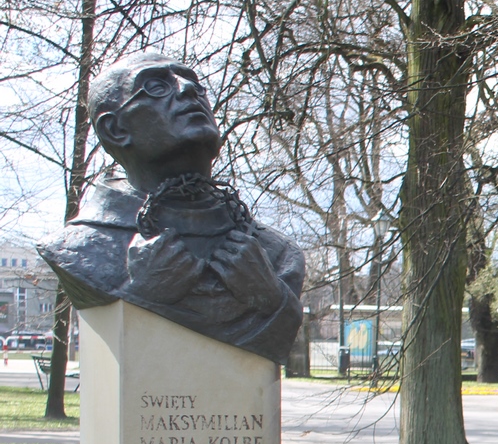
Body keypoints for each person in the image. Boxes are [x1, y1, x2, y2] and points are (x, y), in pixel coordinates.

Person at [37, 52, 303, 364]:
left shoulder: (278, 256)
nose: (189, 89)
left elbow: (278, 339)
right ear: (115, 129)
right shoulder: (78, 250)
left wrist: (271, 298)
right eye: (155, 87)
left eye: (196, 85)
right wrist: (143, 295)